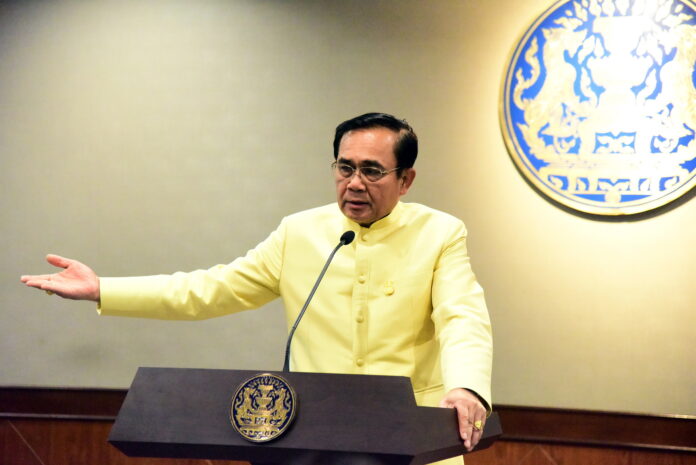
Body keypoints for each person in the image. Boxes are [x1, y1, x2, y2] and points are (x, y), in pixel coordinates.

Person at [21, 113, 492, 464]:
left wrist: (466, 386)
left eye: (371, 171)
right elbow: (210, 290)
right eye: (344, 167)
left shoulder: (441, 233)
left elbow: (462, 317)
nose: (353, 183)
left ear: (405, 180)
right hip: (316, 440)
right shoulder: (299, 232)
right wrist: (104, 289)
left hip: (408, 437)